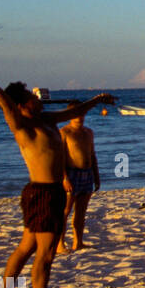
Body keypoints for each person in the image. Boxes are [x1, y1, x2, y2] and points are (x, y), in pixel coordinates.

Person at [0, 62, 113, 288]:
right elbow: (4, 102)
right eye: (32, 98)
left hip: (51, 192)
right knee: (45, 254)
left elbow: (73, 111)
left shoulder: (47, 120)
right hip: (41, 192)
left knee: (27, 248)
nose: (37, 99)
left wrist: (96, 100)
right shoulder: (21, 125)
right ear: (22, 105)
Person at [57, 101, 100, 254]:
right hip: (71, 173)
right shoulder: (64, 132)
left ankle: (78, 242)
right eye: (76, 113)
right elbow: (59, 157)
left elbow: (92, 155)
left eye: (82, 113)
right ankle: (60, 244)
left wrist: (96, 175)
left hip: (87, 173)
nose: (80, 116)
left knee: (81, 211)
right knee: (65, 211)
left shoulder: (88, 132)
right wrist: (64, 178)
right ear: (69, 115)